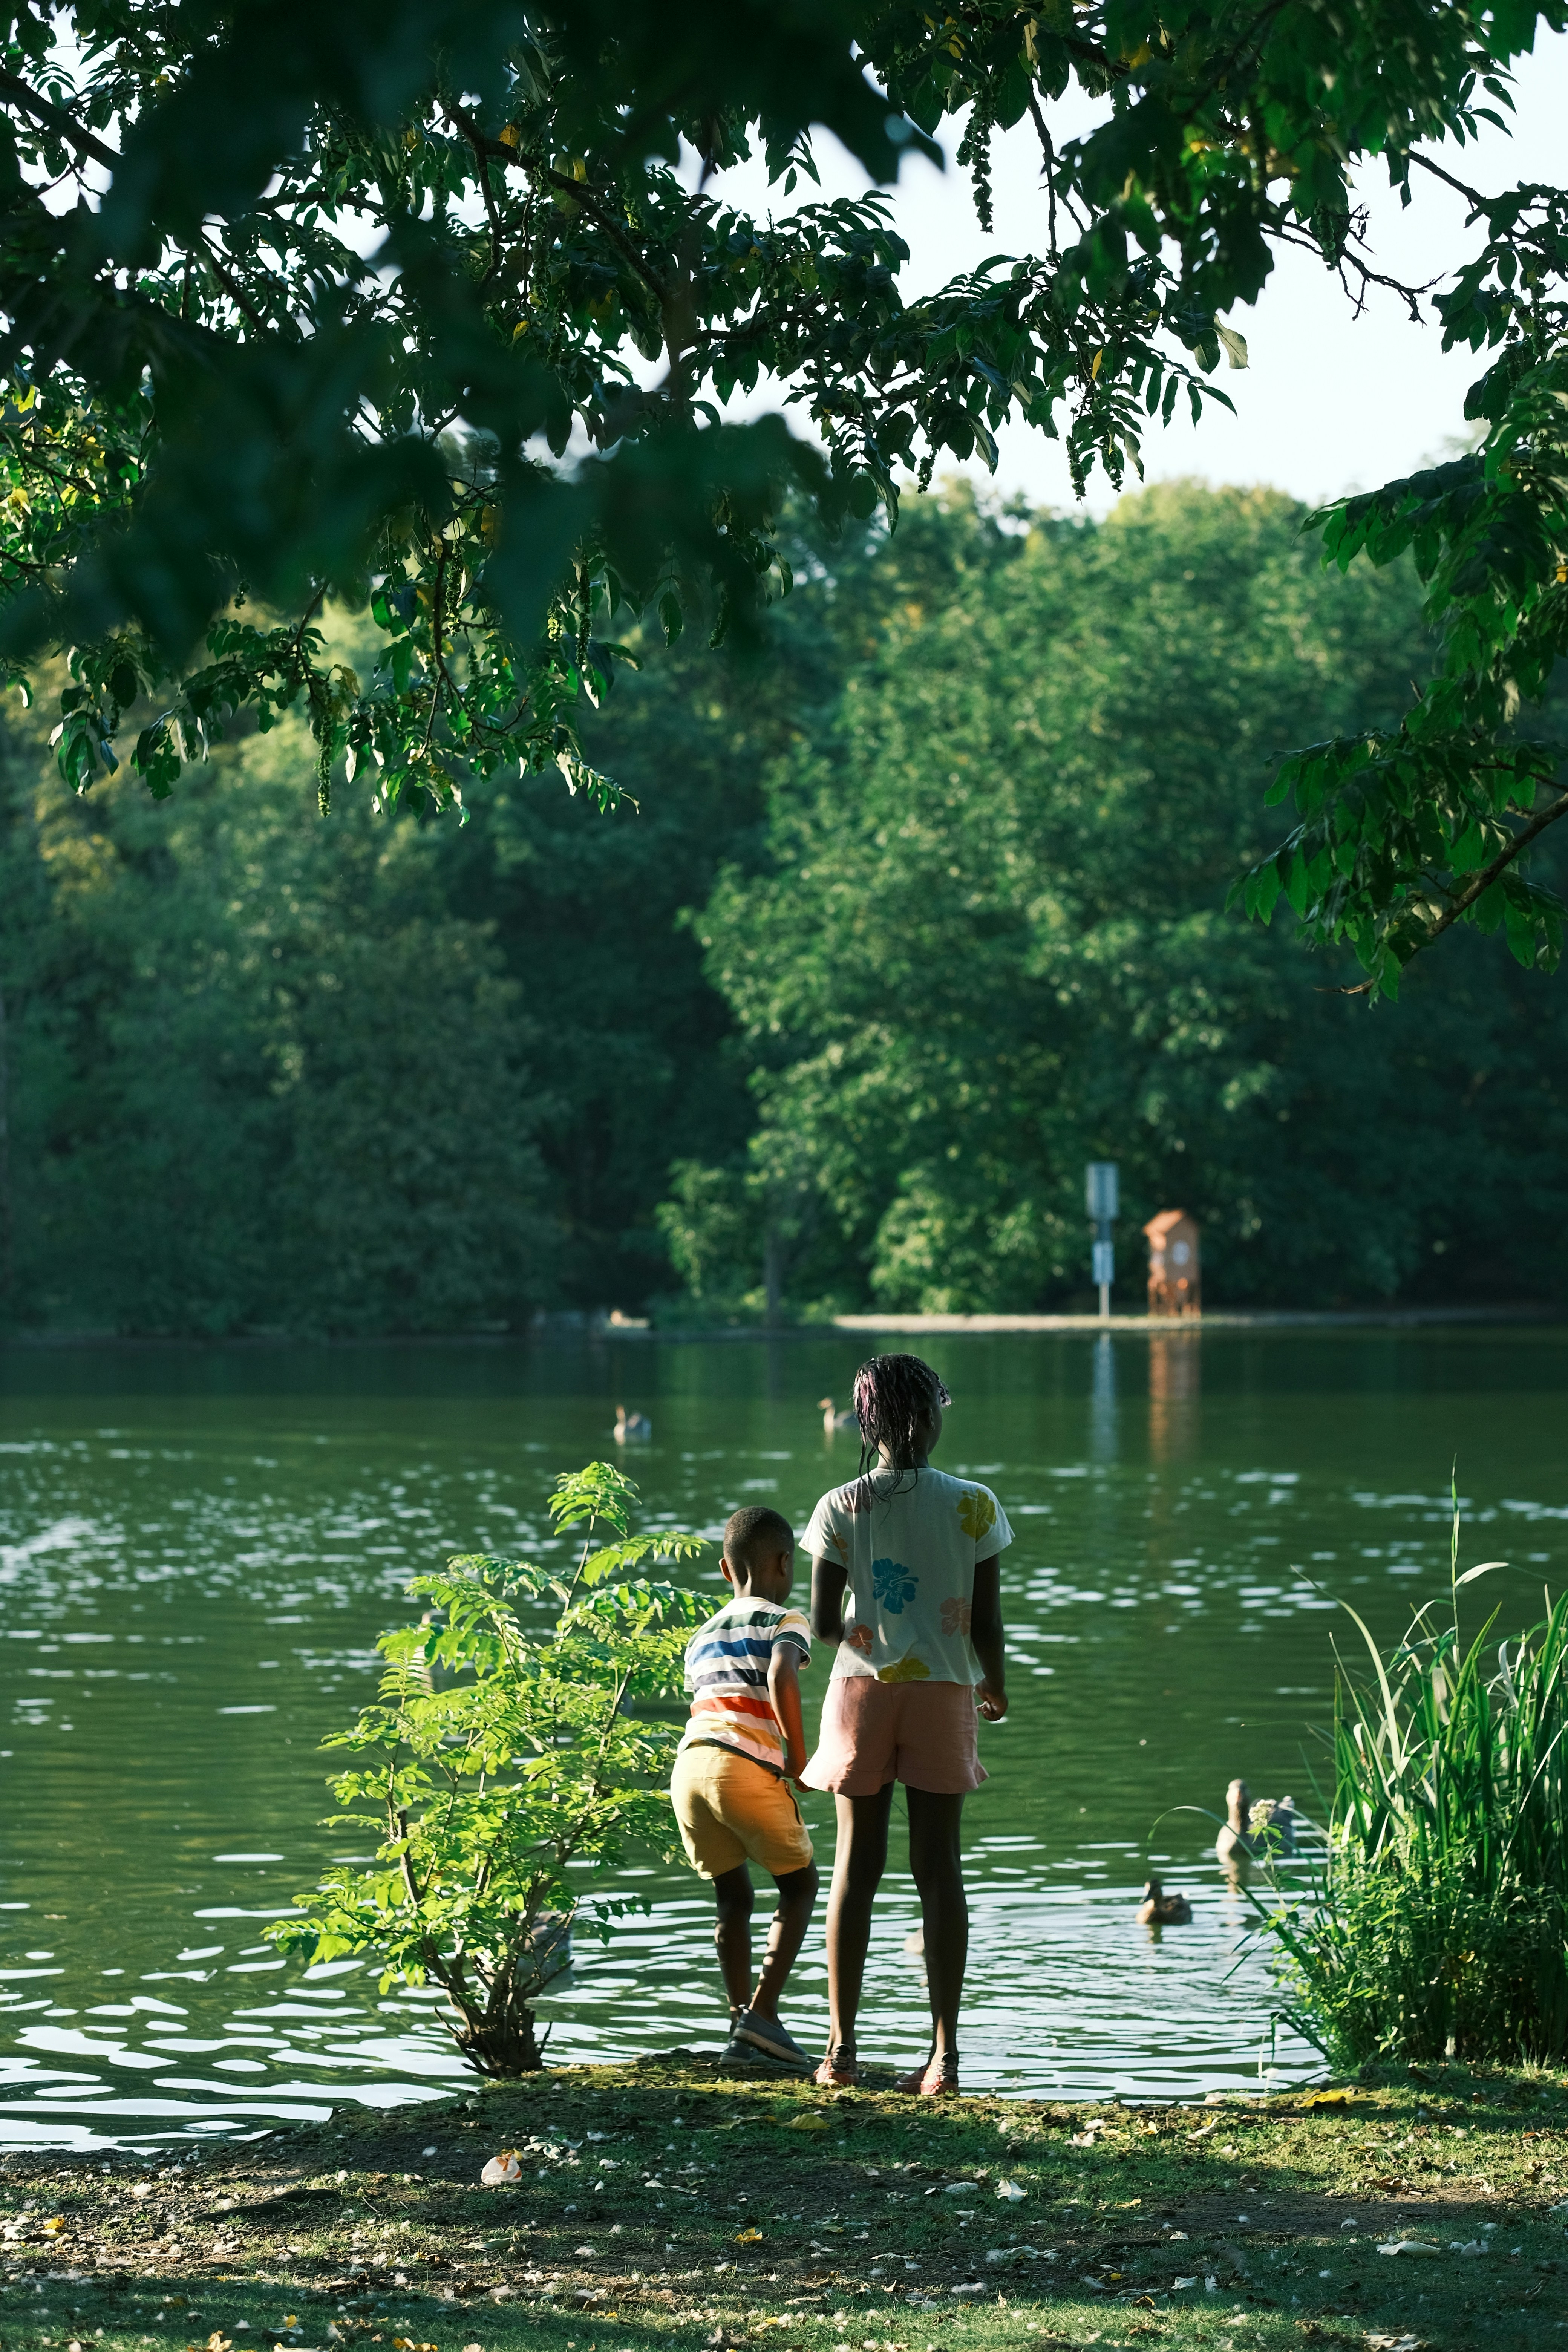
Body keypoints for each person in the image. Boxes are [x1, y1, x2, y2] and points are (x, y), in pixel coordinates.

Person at [800, 1352, 1011, 2095]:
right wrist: (996, 1682)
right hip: (946, 1690)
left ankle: (840, 2054)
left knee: (856, 1872)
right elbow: (986, 1619)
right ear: (932, 1416)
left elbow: (825, 1623)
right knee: (938, 1871)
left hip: (861, 1691)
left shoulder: (839, 1506)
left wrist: (870, 1636)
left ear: (868, 1425)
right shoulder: (974, 1504)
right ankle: (944, 2061)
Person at [669, 1503, 819, 2070]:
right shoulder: (786, 1620)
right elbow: (782, 1674)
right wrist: (799, 1758)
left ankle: (740, 2022)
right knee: (801, 1886)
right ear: (784, 1563)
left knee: (733, 1897)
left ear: (726, 1571)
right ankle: (762, 2017)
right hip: (743, 1768)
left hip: (689, 1772)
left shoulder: (701, 1635)